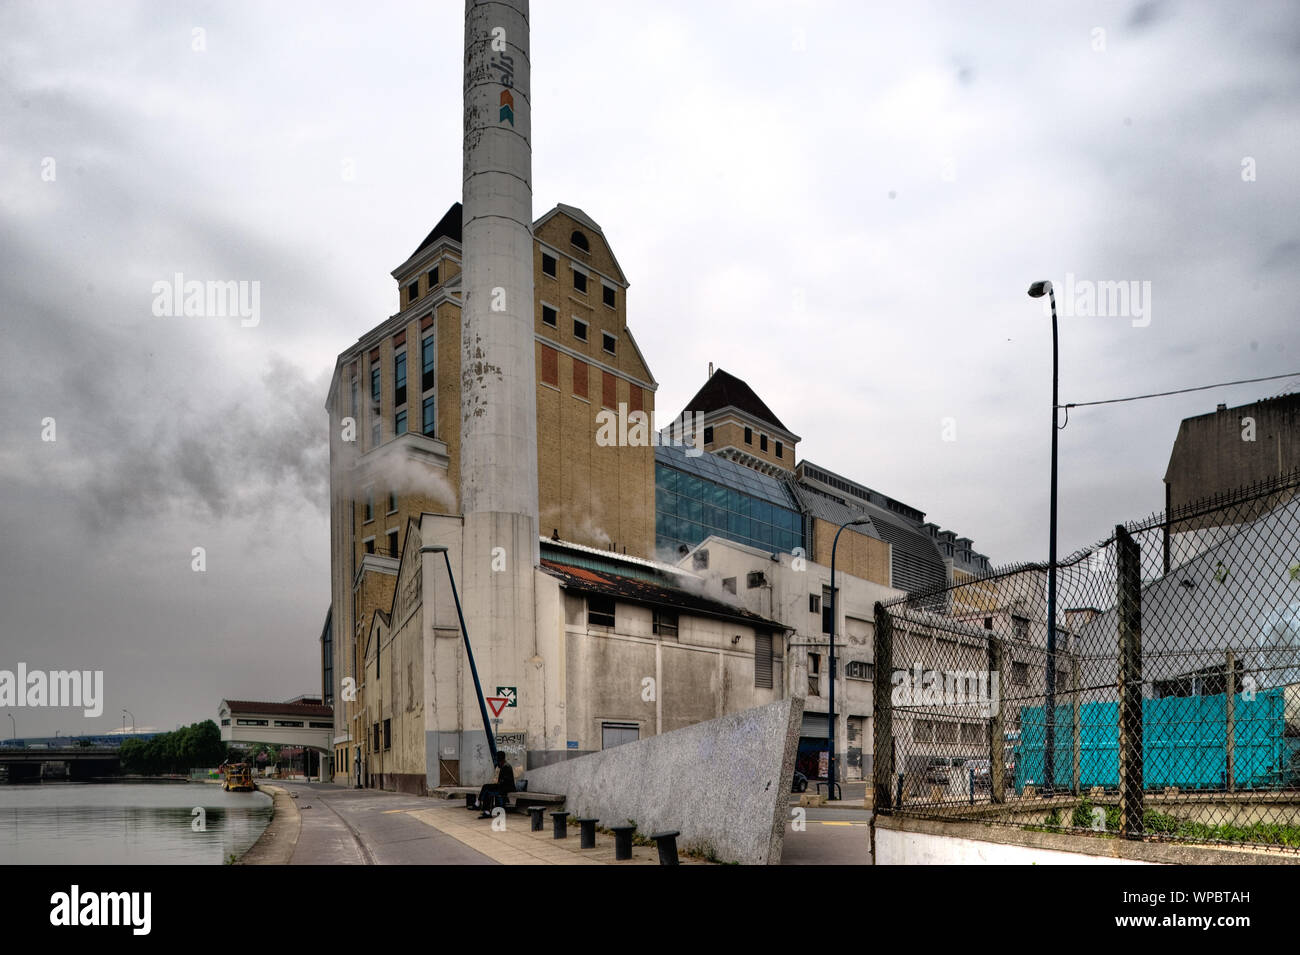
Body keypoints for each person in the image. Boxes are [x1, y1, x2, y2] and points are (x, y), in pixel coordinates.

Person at [475, 751, 515, 817]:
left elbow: (505, 782)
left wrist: (496, 785)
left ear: (500, 759)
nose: (496, 761)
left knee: (487, 790)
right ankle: (484, 808)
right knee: (486, 788)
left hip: (507, 788)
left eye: (497, 759)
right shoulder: (503, 766)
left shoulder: (506, 767)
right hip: (503, 786)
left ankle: (480, 805)